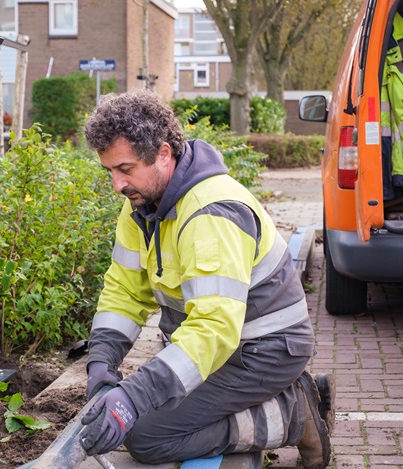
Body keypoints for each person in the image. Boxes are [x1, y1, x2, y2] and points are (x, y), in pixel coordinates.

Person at [79, 90, 335, 468]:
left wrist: (135, 395)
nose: (117, 184)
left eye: (126, 169)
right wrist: (101, 364)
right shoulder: (142, 205)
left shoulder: (211, 212)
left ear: (163, 153)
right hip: (219, 348)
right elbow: (124, 292)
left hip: (263, 352)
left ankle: (293, 413)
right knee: (144, 415)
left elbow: (214, 327)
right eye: (110, 171)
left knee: (147, 435)